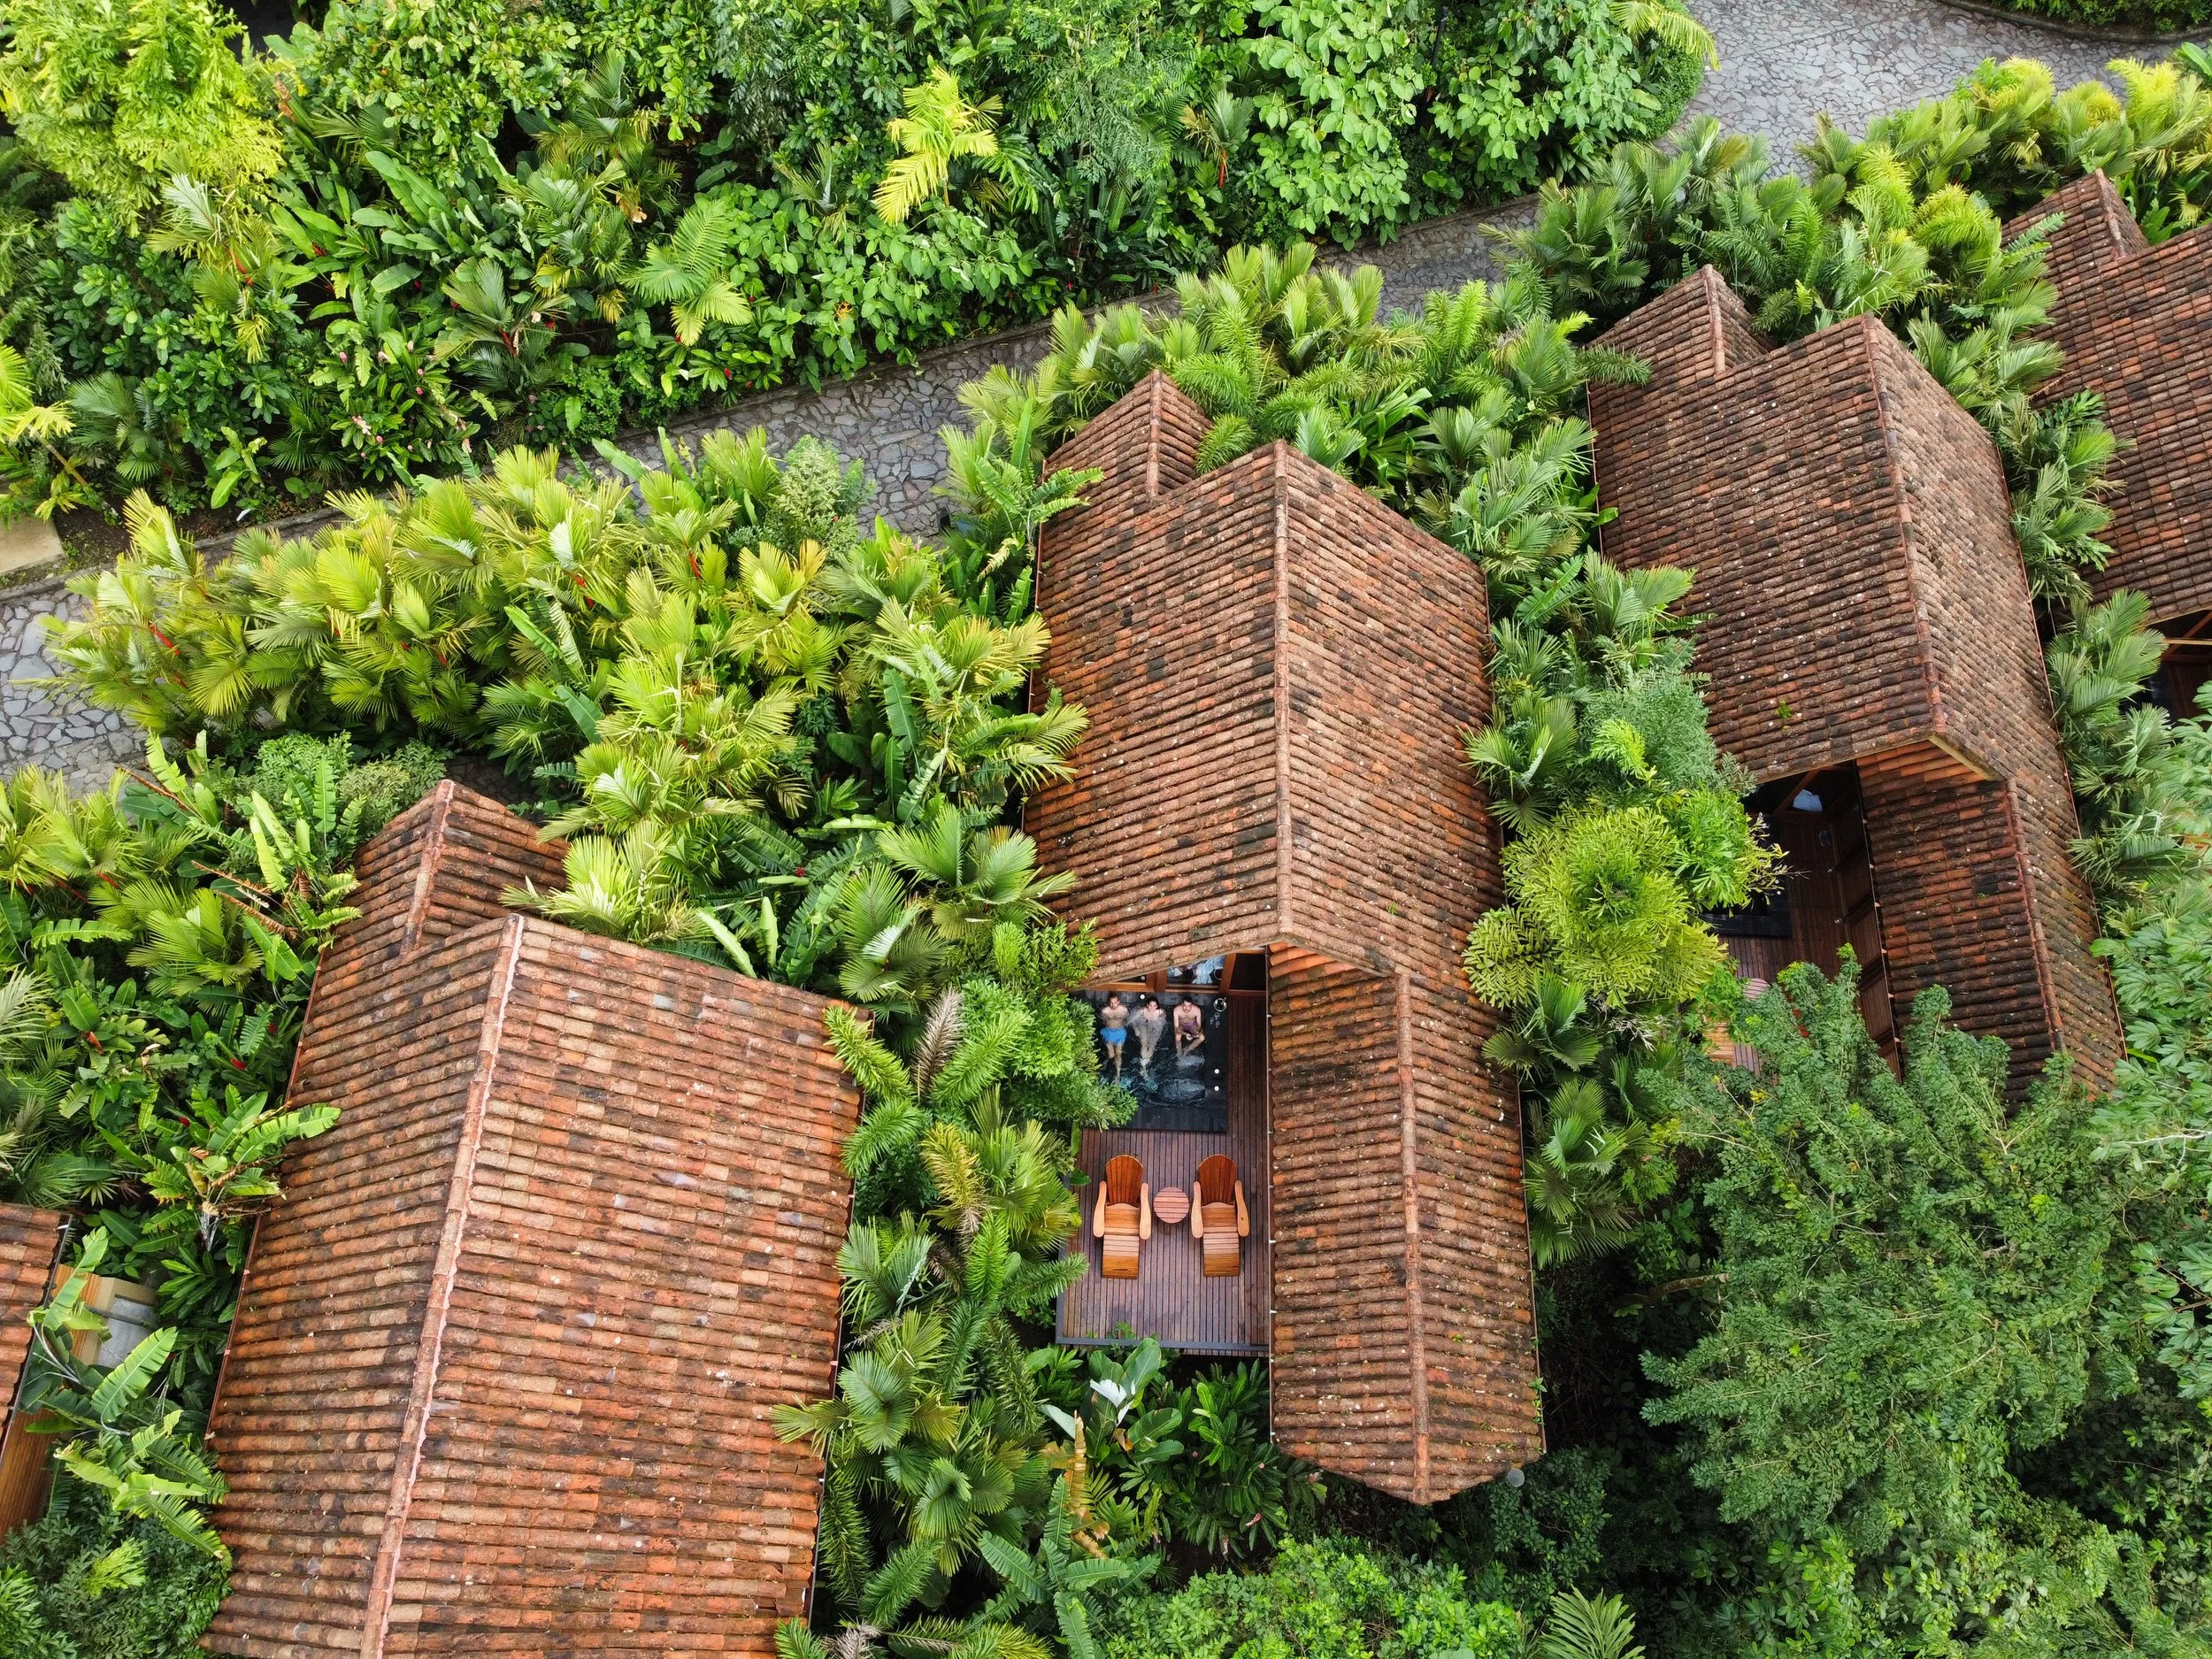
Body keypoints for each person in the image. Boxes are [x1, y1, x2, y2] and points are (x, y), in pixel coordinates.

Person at [1131, 996, 1168, 1080]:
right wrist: (1136, 1030)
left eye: (1154, 1006)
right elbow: (1132, 1021)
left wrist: (1159, 1031)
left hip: (1154, 1027)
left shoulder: (1160, 1012)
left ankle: (1146, 1062)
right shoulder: (1142, 1011)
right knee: (1144, 1042)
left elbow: (1163, 1023)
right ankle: (1143, 1065)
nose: (1152, 1008)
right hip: (1143, 1024)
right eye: (1150, 1005)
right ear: (1147, 1005)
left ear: (1157, 1006)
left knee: (1152, 1044)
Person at [1099, 994, 1129, 1082]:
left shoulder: (1123, 1009)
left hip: (1120, 1032)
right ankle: (1107, 1062)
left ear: (1118, 1002)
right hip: (1109, 1032)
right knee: (1111, 1055)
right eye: (1111, 1003)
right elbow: (1103, 1021)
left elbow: (1128, 1020)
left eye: (1115, 1003)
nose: (1113, 1005)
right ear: (1109, 1003)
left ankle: (1118, 1074)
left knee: (1118, 1054)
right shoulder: (1105, 1011)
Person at [1172, 996, 1204, 1062]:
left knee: (1202, 1037)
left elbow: (1199, 1025)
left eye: (1189, 1006)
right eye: (1185, 1005)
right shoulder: (1176, 1010)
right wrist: (1186, 1034)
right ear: (1182, 1004)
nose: (1187, 1008)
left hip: (1192, 1025)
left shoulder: (1197, 1010)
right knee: (1177, 1036)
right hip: (1181, 1024)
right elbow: (1176, 1027)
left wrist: (1197, 1032)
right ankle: (1179, 1052)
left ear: (1192, 1005)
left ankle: (1188, 1050)